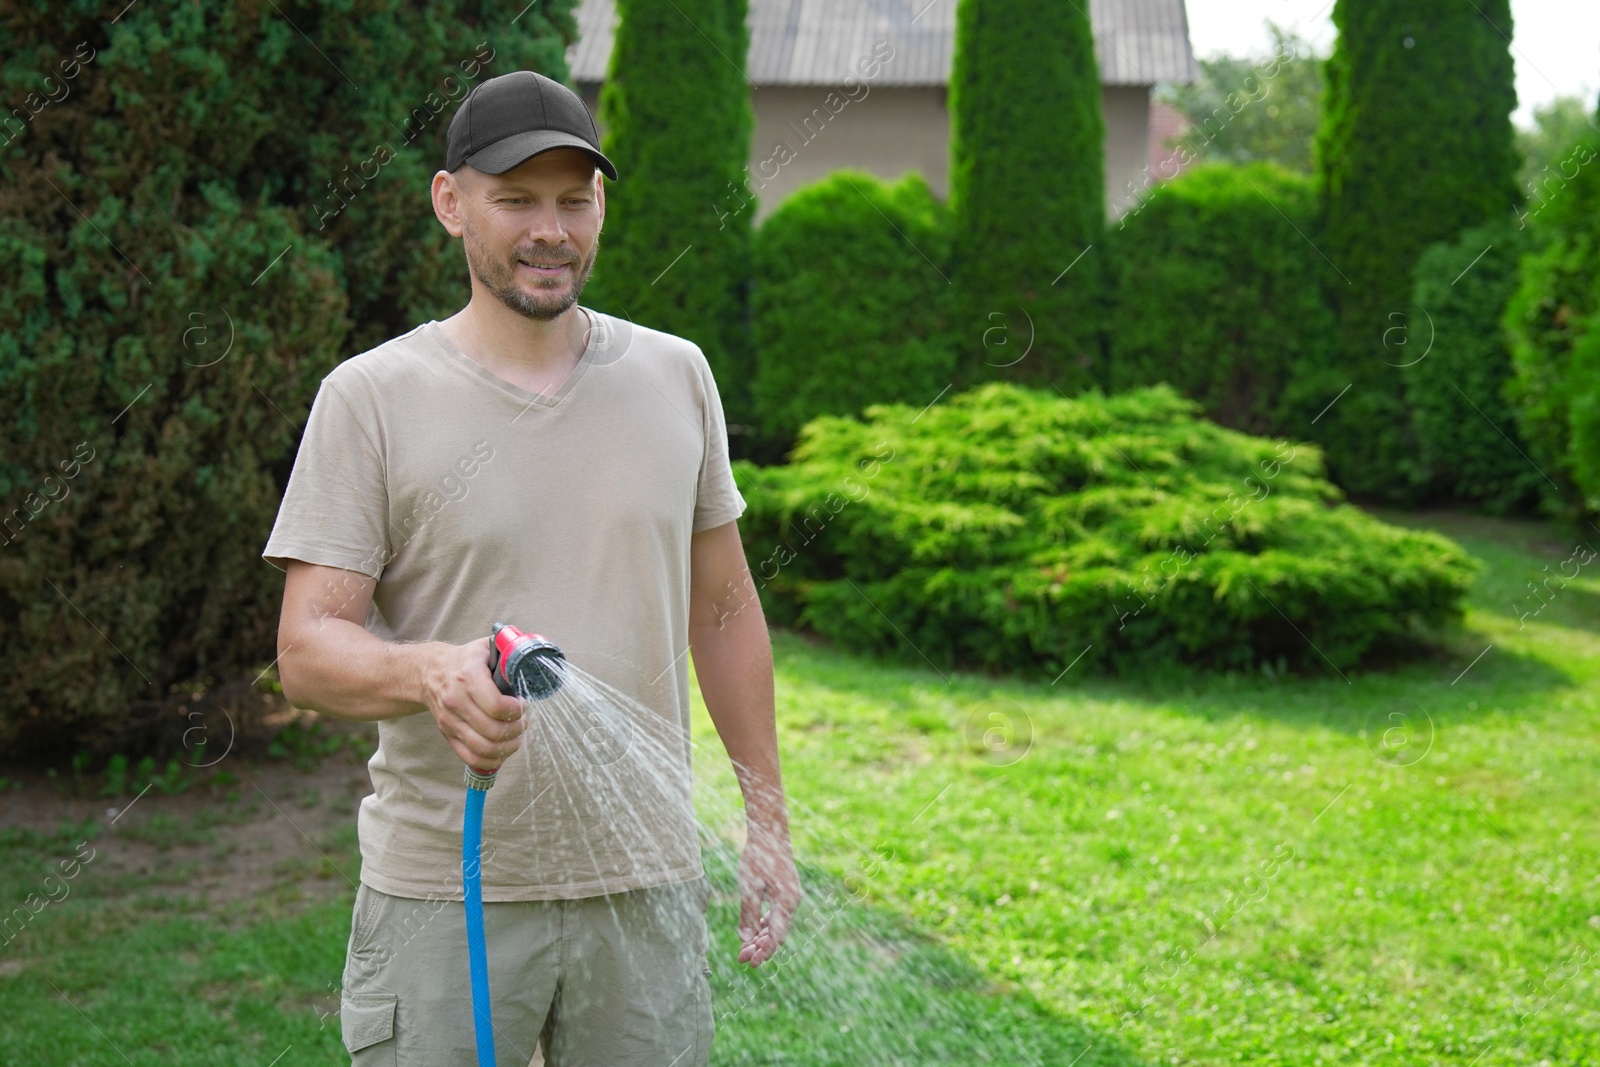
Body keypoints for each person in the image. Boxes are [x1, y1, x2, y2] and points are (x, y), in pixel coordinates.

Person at [263, 69, 801, 1066]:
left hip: (643, 885)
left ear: (601, 204)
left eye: (572, 198)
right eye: (515, 198)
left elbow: (722, 611)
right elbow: (306, 648)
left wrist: (764, 816)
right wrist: (428, 671)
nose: (549, 228)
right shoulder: (372, 396)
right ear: (450, 202)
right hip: (445, 890)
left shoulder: (674, 375)